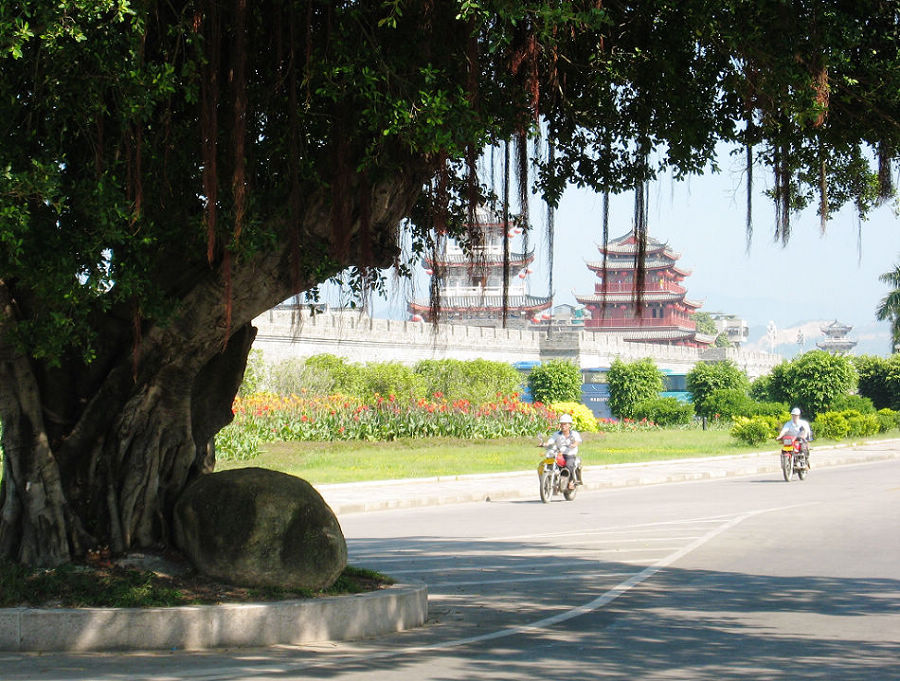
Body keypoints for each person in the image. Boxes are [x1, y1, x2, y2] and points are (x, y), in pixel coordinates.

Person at [549, 413, 582, 489]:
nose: (563, 426)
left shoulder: (574, 434)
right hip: (559, 454)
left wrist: (574, 444)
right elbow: (551, 440)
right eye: (562, 424)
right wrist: (545, 443)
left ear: (569, 425)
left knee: (568, 465)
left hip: (569, 455)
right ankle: (550, 481)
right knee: (548, 463)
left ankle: (571, 482)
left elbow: (577, 441)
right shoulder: (556, 434)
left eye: (565, 424)